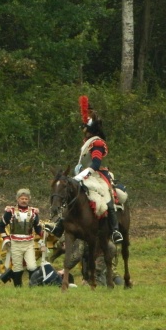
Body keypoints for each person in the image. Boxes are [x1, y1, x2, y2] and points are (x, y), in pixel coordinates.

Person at [46, 96, 123, 244]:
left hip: (98, 175)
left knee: (108, 198)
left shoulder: (98, 143)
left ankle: (115, 231)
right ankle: (60, 225)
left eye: (85, 128)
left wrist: (81, 176)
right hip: (83, 175)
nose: (83, 131)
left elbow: (95, 164)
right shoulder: (87, 143)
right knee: (70, 194)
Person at [0, 188, 43, 287]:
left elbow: (38, 228)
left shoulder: (34, 212)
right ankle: (18, 288)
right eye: (22, 198)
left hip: (29, 243)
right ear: (17, 199)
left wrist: (44, 235)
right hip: (15, 243)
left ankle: (32, 286)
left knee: (32, 266)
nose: (24, 200)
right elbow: (1, 226)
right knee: (17, 267)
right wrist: (6, 238)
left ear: (29, 199)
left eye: (26, 198)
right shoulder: (10, 211)